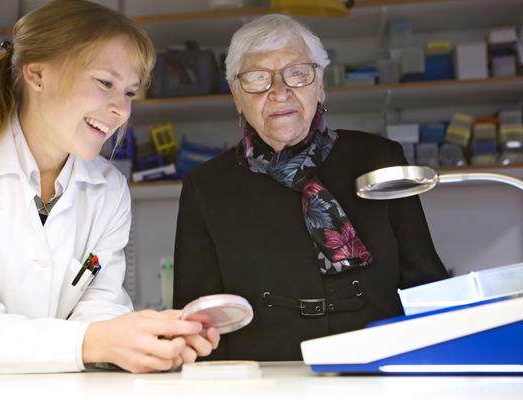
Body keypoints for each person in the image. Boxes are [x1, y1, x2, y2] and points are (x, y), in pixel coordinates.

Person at [0, 0, 218, 374]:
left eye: (128, 92)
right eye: (105, 83)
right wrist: (97, 341)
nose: (121, 110)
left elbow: (99, 306)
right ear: (37, 74)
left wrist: (144, 341)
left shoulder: (108, 190)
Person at [173, 14, 448, 361]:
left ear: (320, 83)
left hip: (380, 368)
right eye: (258, 79)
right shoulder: (205, 186)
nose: (279, 91)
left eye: (297, 73)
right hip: (265, 380)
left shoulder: (380, 158)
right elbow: (196, 321)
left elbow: (426, 283)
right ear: (236, 95)